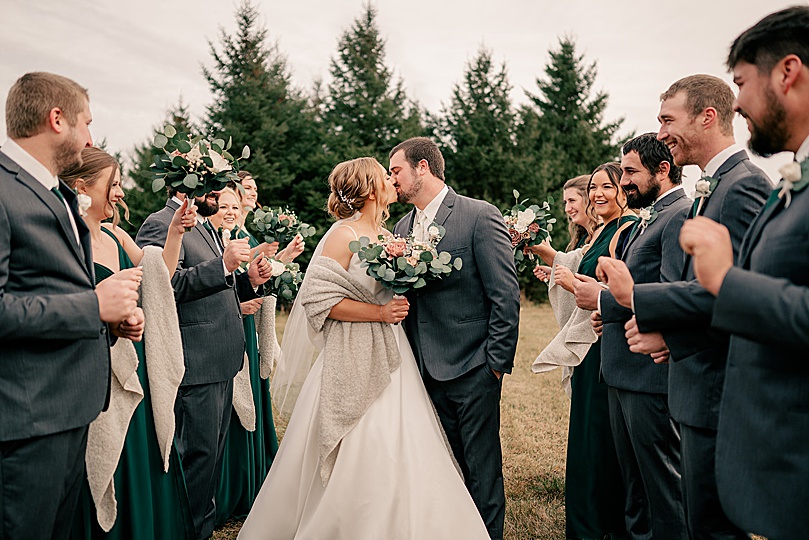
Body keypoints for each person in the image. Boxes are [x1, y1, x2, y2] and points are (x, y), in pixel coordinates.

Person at [238, 157, 489, 539]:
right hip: (350, 352)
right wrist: (379, 311)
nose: (392, 180)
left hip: (393, 353)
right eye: (384, 176)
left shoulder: (390, 236)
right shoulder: (343, 234)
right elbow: (317, 299)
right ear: (371, 190)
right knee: (363, 439)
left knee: (403, 439)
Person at [598, 75, 770, 539]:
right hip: (693, 380)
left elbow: (735, 290)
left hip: (717, 387)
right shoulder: (716, 187)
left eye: (668, 120)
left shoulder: (743, 185)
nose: (660, 134)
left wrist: (635, 298)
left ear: (707, 117)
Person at [677, 7, 809, 538]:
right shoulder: (791, 181)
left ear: (788, 72)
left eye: (741, 84)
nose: (738, 105)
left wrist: (727, 280)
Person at [0, 72, 142, 540]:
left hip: (69, 409)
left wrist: (110, 325)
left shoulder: (57, 193)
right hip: (26, 420)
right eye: (86, 123)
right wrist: (92, 306)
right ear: (56, 119)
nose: (90, 137)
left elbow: (53, 289)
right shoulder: (4, 190)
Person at [61, 147, 197, 539]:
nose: (120, 193)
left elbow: (159, 275)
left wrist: (175, 233)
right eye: (114, 184)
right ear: (83, 186)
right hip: (93, 365)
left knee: (139, 453)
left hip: (133, 357)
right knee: (105, 456)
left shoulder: (115, 234)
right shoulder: (65, 237)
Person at [389, 137, 520, 540]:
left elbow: (505, 293)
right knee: (441, 465)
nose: (391, 179)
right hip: (422, 368)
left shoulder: (479, 215)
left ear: (423, 167)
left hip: (473, 365)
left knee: (481, 467)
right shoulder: (401, 227)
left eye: (396, 171)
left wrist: (494, 364)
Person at [136, 186, 274, 540]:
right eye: (209, 186)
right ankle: (188, 531)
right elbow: (166, 288)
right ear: (184, 184)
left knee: (210, 457)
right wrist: (224, 264)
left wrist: (248, 281)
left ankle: (203, 526)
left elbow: (219, 286)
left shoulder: (204, 225)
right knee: (195, 458)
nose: (215, 194)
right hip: (194, 360)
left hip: (222, 358)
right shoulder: (159, 224)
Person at [574, 134, 690, 540]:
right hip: (623, 369)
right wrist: (609, 314)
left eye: (629, 172)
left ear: (662, 170)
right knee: (635, 489)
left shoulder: (679, 214)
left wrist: (603, 302)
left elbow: (672, 291)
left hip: (648, 374)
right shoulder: (652, 216)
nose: (623, 181)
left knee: (662, 491)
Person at [538, 164, 634, 539]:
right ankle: (587, 525)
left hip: (606, 344)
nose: (597, 194)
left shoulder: (626, 230)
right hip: (594, 347)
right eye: (593, 187)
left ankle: (596, 527)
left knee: (597, 439)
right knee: (587, 437)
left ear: (624, 188)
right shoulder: (601, 232)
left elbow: (619, 287)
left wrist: (571, 279)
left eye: (606, 187)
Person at [211, 185, 303, 526]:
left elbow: (252, 280)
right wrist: (238, 303)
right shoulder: (213, 243)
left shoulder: (240, 239)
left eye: (235, 205)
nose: (231, 211)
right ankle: (231, 486)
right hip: (226, 332)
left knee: (250, 399)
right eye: (224, 205)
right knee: (233, 408)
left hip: (247, 331)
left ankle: (251, 482)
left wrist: (281, 263)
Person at [529, 174, 595, 283]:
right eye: (565, 203)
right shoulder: (583, 237)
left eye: (572, 200)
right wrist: (554, 272)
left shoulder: (603, 234)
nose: (567, 209)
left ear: (589, 199)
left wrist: (544, 250)